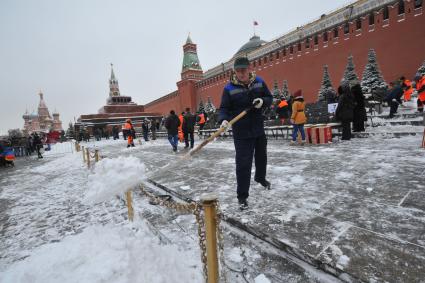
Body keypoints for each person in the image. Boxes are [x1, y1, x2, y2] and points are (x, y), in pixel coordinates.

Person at [219, 57, 273, 210]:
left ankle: (260, 178)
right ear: (234, 71)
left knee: (262, 156)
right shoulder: (229, 88)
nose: (241, 73)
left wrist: (263, 101)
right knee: (243, 164)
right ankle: (242, 196)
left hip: (258, 128)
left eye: (243, 70)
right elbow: (224, 108)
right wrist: (223, 120)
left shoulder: (259, 82)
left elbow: (269, 97)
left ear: (249, 68)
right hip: (241, 133)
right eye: (238, 71)